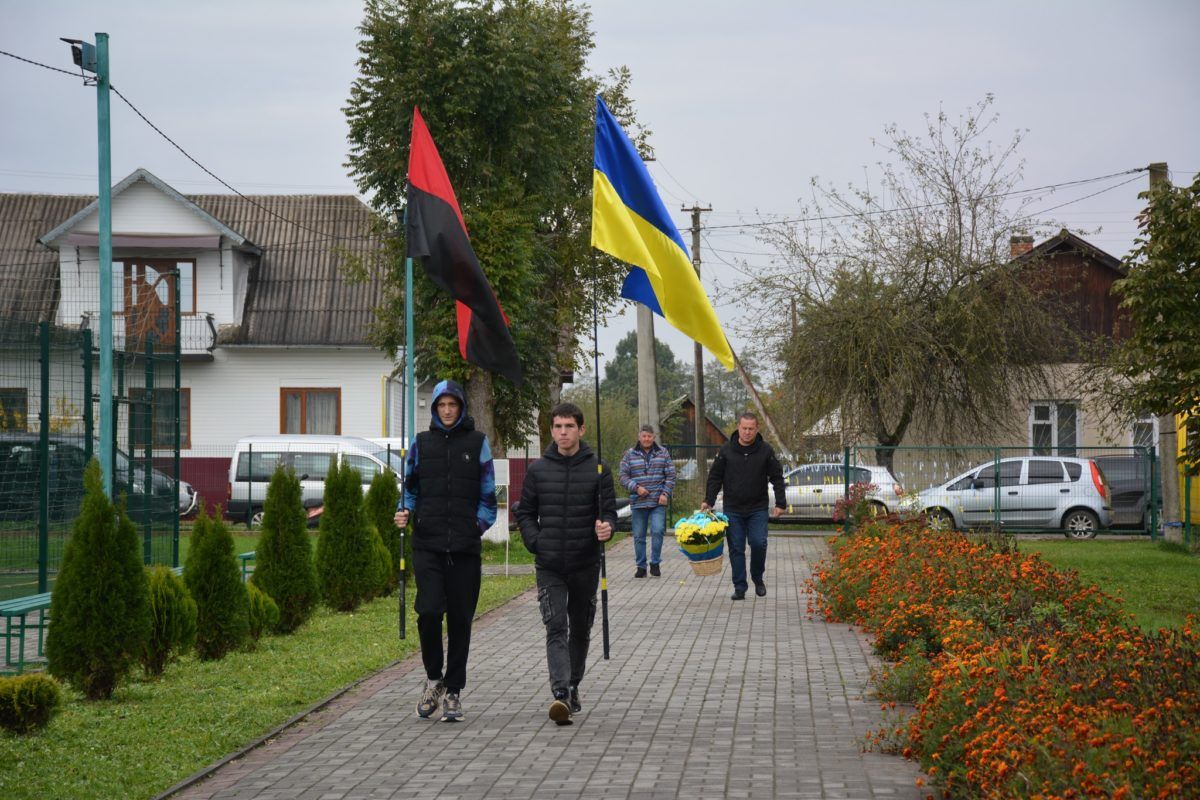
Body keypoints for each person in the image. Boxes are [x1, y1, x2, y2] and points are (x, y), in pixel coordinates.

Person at [393, 379, 497, 722]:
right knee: (429, 611)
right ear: (435, 408)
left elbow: (488, 499)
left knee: (461, 621)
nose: (447, 410)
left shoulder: (477, 443)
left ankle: (453, 692)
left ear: (462, 407)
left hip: (464, 549)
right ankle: (434, 678)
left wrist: (474, 527)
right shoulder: (420, 444)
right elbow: (408, 490)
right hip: (428, 544)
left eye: (453, 405)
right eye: (441, 405)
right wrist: (405, 513)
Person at [516, 402, 617, 725]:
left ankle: (574, 683)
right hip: (550, 565)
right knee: (556, 625)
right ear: (551, 431)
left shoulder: (598, 469)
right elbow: (525, 512)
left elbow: (610, 514)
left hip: (585, 561)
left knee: (581, 629)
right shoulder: (538, 470)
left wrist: (607, 528)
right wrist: (536, 541)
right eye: (558, 427)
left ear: (581, 429)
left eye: (569, 426)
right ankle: (560, 693)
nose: (563, 432)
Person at [701, 412, 786, 601]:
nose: (747, 432)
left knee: (758, 543)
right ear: (738, 427)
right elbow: (715, 477)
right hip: (733, 508)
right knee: (736, 548)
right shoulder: (726, 450)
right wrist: (709, 500)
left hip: (758, 508)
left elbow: (777, 477)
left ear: (756, 429)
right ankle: (740, 586)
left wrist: (780, 503)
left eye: (751, 429)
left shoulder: (765, 450)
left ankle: (758, 578)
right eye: (744, 428)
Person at [618, 425, 676, 578]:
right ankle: (641, 566)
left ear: (653, 437)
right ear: (639, 437)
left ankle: (655, 563)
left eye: (649, 436)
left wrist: (665, 493)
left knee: (657, 531)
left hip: (658, 502)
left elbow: (671, 475)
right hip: (638, 502)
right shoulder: (629, 455)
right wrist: (636, 488)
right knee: (639, 535)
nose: (646, 439)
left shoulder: (663, 453)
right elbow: (623, 477)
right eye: (644, 436)